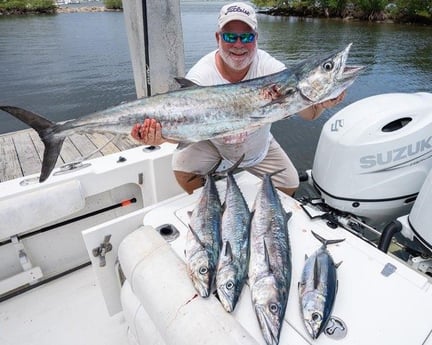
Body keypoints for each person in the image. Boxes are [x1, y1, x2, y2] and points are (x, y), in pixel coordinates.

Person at [131, 2, 345, 196]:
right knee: (183, 170)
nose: (239, 44)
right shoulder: (201, 76)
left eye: (247, 37)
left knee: (289, 185)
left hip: (257, 148)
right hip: (213, 143)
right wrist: (160, 137)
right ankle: (213, 206)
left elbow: (307, 113)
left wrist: (323, 102)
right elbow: (183, 127)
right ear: (218, 38)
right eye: (230, 37)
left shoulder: (270, 68)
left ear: (256, 39)